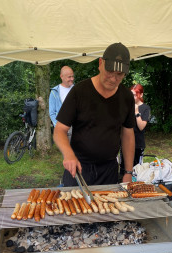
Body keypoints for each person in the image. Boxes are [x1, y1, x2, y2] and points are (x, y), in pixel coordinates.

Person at [53, 43, 135, 187]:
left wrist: (128, 171)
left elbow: (128, 134)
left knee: (108, 209)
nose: (113, 79)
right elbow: (59, 130)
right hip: (78, 167)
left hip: (109, 169)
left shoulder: (126, 97)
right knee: (74, 208)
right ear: (100, 63)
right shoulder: (79, 92)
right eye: (110, 71)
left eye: (119, 74)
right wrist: (68, 154)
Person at [120, 84, 151, 172]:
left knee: (137, 170)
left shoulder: (145, 108)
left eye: (134, 95)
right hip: (125, 142)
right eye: (131, 95)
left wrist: (136, 112)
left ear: (141, 95)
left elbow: (141, 127)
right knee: (124, 168)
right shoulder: (126, 106)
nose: (132, 97)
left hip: (138, 144)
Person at [49, 66, 74, 141]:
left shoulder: (76, 90)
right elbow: (52, 112)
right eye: (69, 77)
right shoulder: (54, 92)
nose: (72, 79)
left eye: (72, 76)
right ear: (61, 76)